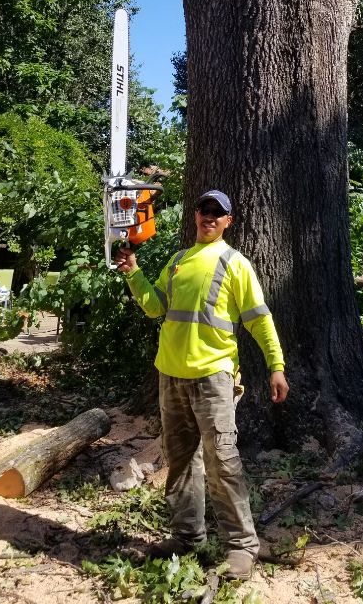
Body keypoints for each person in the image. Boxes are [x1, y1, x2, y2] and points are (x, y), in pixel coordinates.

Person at [115, 189, 288, 581]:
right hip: (171, 376)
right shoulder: (177, 262)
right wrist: (134, 273)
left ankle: (242, 547)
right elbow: (154, 305)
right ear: (195, 215)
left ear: (229, 221)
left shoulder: (235, 263)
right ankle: (187, 536)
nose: (209, 216)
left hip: (213, 378)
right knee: (180, 462)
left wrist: (276, 366)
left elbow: (259, 320)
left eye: (218, 212)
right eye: (204, 210)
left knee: (222, 462)